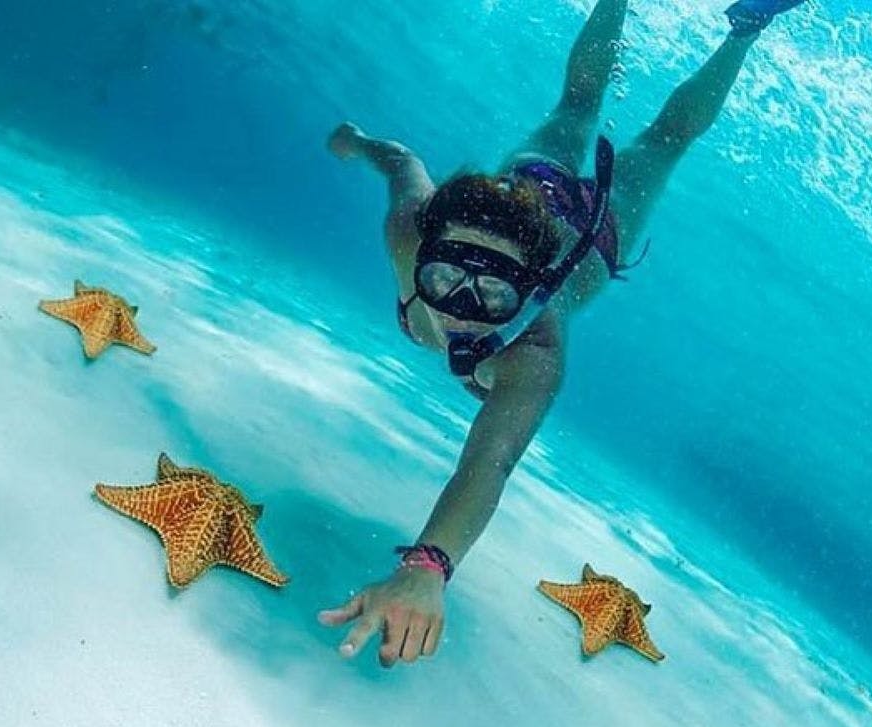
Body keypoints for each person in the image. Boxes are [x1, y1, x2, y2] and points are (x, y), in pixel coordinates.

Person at [318, 0, 810, 667]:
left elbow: (487, 463)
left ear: (530, 292)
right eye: (446, 276)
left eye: (493, 294)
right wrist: (359, 143)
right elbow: (401, 160)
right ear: (426, 248)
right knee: (578, 101)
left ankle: (748, 25)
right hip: (526, 186)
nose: (462, 307)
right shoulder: (409, 232)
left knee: (666, 138)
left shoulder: (536, 354)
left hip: (593, 228)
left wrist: (428, 567)